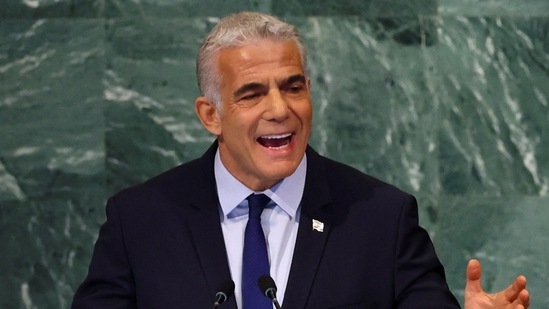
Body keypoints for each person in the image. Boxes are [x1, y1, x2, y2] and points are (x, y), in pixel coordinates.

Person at [72, 12, 530, 308]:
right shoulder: (140, 220)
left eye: (293, 87)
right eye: (252, 93)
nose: (280, 109)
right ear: (210, 115)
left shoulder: (381, 218)